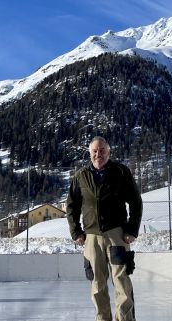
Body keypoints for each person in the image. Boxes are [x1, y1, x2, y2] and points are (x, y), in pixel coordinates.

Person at [67, 136, 143, 321]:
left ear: (108, 152)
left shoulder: (120, 172)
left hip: (116, 236)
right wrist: (76, 232)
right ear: (89, 153)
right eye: (94, 151)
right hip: (91, 238)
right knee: (97, 284)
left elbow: (135, 201)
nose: (98, 154)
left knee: (122, 281)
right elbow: (71, 206)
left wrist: (131, 230)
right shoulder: (81, 176)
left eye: (101, 150)